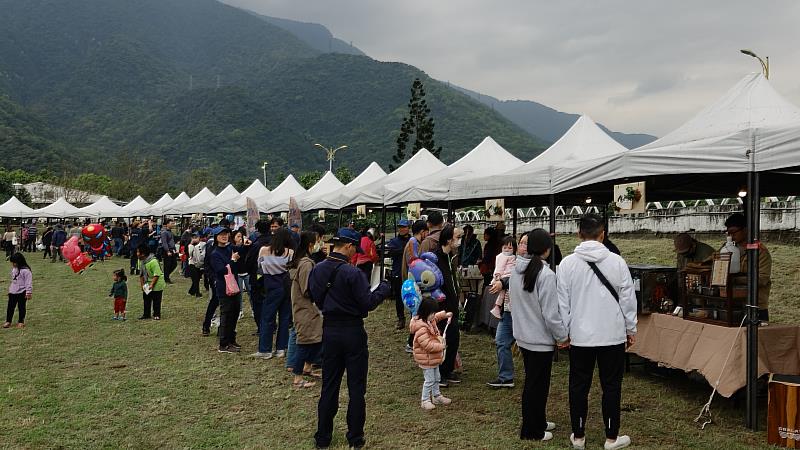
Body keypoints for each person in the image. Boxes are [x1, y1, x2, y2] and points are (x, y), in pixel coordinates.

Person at [557, 214, 637, 450]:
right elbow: (628, 300)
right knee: (611, 386)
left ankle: (579, 435)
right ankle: (612, 437)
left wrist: (564, 332)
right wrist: (630, 329)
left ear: (579, 233)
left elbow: (563, 303)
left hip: (580, 335)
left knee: (579, 385)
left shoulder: (567, 264)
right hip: (612, 334)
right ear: (603, 234)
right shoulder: (617, 262)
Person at [309, 227, 391, 449]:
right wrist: (384, 288)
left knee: (329, 385)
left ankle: (323, 437)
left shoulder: (317, 269)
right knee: (356, 387)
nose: (356, 252)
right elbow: (367, 303)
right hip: (353, 330)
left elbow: (315, 296)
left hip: (330, 330)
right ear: (348, 246)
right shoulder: (352, 273)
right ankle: (355, 437)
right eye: (355, 247)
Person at [511, 229, 569, 441]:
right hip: (540, 339)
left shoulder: (517, 270)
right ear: (547, 250)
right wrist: (563, 336)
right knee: (536, 385)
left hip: (524, 336)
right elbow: (551, 314)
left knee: (536, 383)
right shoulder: (545, 275)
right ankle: (531, 430)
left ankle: (539, 421)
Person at [288, 231, 322, 388]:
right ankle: (297, 377)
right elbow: (307, 288)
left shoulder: (301, 260)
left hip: (305, 308)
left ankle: (307, 368)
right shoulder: (306, 263)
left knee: (315, 338)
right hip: (305, 308)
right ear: (310, 244)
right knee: (304, 342)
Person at [253, 227, 293, 359]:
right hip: (286, 287)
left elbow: (259, 266)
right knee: (284, 318)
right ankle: (281, 349)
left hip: (271, 286)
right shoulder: (290, 252)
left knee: (267, 318)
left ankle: (265, 349)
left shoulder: (264, 250)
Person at [724, 212, 772, 322]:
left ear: (745, 230)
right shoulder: (727, 248)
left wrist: (736, 279)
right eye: (728, 233)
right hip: (732, 302)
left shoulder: (760, 252)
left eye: (733, 232)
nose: (731, 236)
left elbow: (762, 279)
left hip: (755, 305)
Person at [486, 235, 518, 389]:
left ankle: (507, 376)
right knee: (501, 342)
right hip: (507, 308)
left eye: (511, 247)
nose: (507, 249)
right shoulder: (501, 258)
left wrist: (502, 281)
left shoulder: (519, 263)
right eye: (505, 246)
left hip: (518, 309)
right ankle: (506, 377)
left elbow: (514, 277)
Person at [410, 297, 453, 411]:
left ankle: (436, 396)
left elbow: (436, 317)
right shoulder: (421, 329)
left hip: (432, 358)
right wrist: (441, 347)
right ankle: (425, 400)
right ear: (425, 312)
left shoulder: (429, 320)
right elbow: (427, 345)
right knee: (429, 380)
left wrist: (445, 314)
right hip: (426, 358)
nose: (434, 316)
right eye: (432, 313)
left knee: (436, 377)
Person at [434, 224, 462, 388]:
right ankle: (440, 373)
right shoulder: (436, 259)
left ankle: (448, 369)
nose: (459, 241)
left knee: (453, 339)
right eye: (457, 237)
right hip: (441, 309)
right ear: (448, 239)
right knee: (442, 341)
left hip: (452, 307)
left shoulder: (450, 257)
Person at [210, 227, 242, 354]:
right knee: (226, 314)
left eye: (226, 234)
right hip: (224, 288)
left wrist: (243, 244)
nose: (224, 236)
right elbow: (221, 271)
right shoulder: (215, 254)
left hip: (234, 285)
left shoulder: (230, 248)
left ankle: (231, 340)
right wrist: (233, 260)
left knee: (234, 313)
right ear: (216, 237)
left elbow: (240, 252)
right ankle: (223, 344)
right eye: (221, 235)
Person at [401, 220, 428, 352]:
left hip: (412, 284)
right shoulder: (413, 244)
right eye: (426, 232)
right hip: (413, 286)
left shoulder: (414, 243)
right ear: (422, 231)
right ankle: (411, 343)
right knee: (416, 315)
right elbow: (414, 265)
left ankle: (414, 342)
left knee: (417, 314)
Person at [244, 220, 271, 335]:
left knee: (258, 303)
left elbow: (248, 262)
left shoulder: (256, 245)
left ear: (257, 230)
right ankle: (272, 325)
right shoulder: (276, 242)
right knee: (271, 303)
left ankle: (262, 327)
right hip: (275, 277)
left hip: (258, 278)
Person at [387, 219, 411, 330]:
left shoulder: (412, 240)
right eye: (400, 227)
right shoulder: (394, 241)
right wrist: (405, 250)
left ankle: (413, 318)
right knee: (399, 297)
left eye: (404, 227)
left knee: (413, 295)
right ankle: (401, 318)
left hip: (411, 272)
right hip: (398, 272)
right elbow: (392, 251)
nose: (401, 229)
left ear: (408, 228)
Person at [489, 235, 517, 320]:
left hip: (508, 276)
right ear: (501, 248)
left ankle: (498, 307)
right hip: (504, 277)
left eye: (510, 248)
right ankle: (497, 307)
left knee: (506, 293)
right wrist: (498, 276)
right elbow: (499, 267)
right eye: (505, 248)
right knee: (503, 293)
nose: (507, 250)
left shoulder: (512, 257)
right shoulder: (502, 256)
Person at [137, 243, 165, 321]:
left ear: (143, 253)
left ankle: (157, 314)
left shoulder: (153, 261)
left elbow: (156, 275)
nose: (137, 254)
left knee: (156, 299)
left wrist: (152, 284)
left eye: (138, 252)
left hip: (157, 282)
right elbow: (141, 274)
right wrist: (142, 285)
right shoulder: (141, 261)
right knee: (146, 298)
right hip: (147, 282)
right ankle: (146, 314)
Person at [4, 253, 32, 328]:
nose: (12, 264)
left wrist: (28, 292)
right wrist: (10, 289)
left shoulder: (26, 271)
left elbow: (28, 283)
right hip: (13, 292)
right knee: (10, 307)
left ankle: (21, 321)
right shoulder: (14, 269)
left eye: (14, 262)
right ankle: (8, 321)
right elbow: (13, 281)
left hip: (22, 292)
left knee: (21, 307)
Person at [187, 233, 205, 297]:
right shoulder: (190, 246)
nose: (195, 239)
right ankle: (197, 293)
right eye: (193, 238)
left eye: (196, 237)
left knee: (196, 279)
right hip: (192, 264)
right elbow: (190, 254)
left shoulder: (201, 245)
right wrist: (192, 244)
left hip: (199, 264)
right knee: (195, 279)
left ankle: (191, 291)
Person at [160, 219, 177, 283]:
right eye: (171, 223)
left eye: (173, 223)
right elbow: (164, 242)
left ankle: (165, 276)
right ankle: (166, 278)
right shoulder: (164, 232)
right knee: (167, 265)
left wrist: (175, 249)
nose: (173, 224)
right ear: (167, 224)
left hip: (172, 250)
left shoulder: (170, 232)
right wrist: (167, 251)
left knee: (174, 264)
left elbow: (171, 241)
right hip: (167, 250)